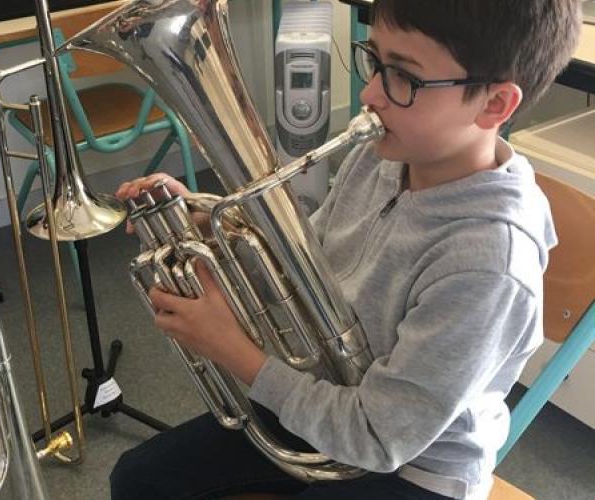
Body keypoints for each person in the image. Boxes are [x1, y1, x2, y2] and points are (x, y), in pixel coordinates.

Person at [110, 1, 583, 498]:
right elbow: (308, 259)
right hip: (324, 395)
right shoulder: (383, 154)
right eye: (375, 61)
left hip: (414, 465)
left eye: (404, 77)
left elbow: (379, 437)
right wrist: (215, 225)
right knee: (140, 478)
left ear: (494, 105)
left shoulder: (488, 262)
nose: (370, 93)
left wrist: (233, 351)